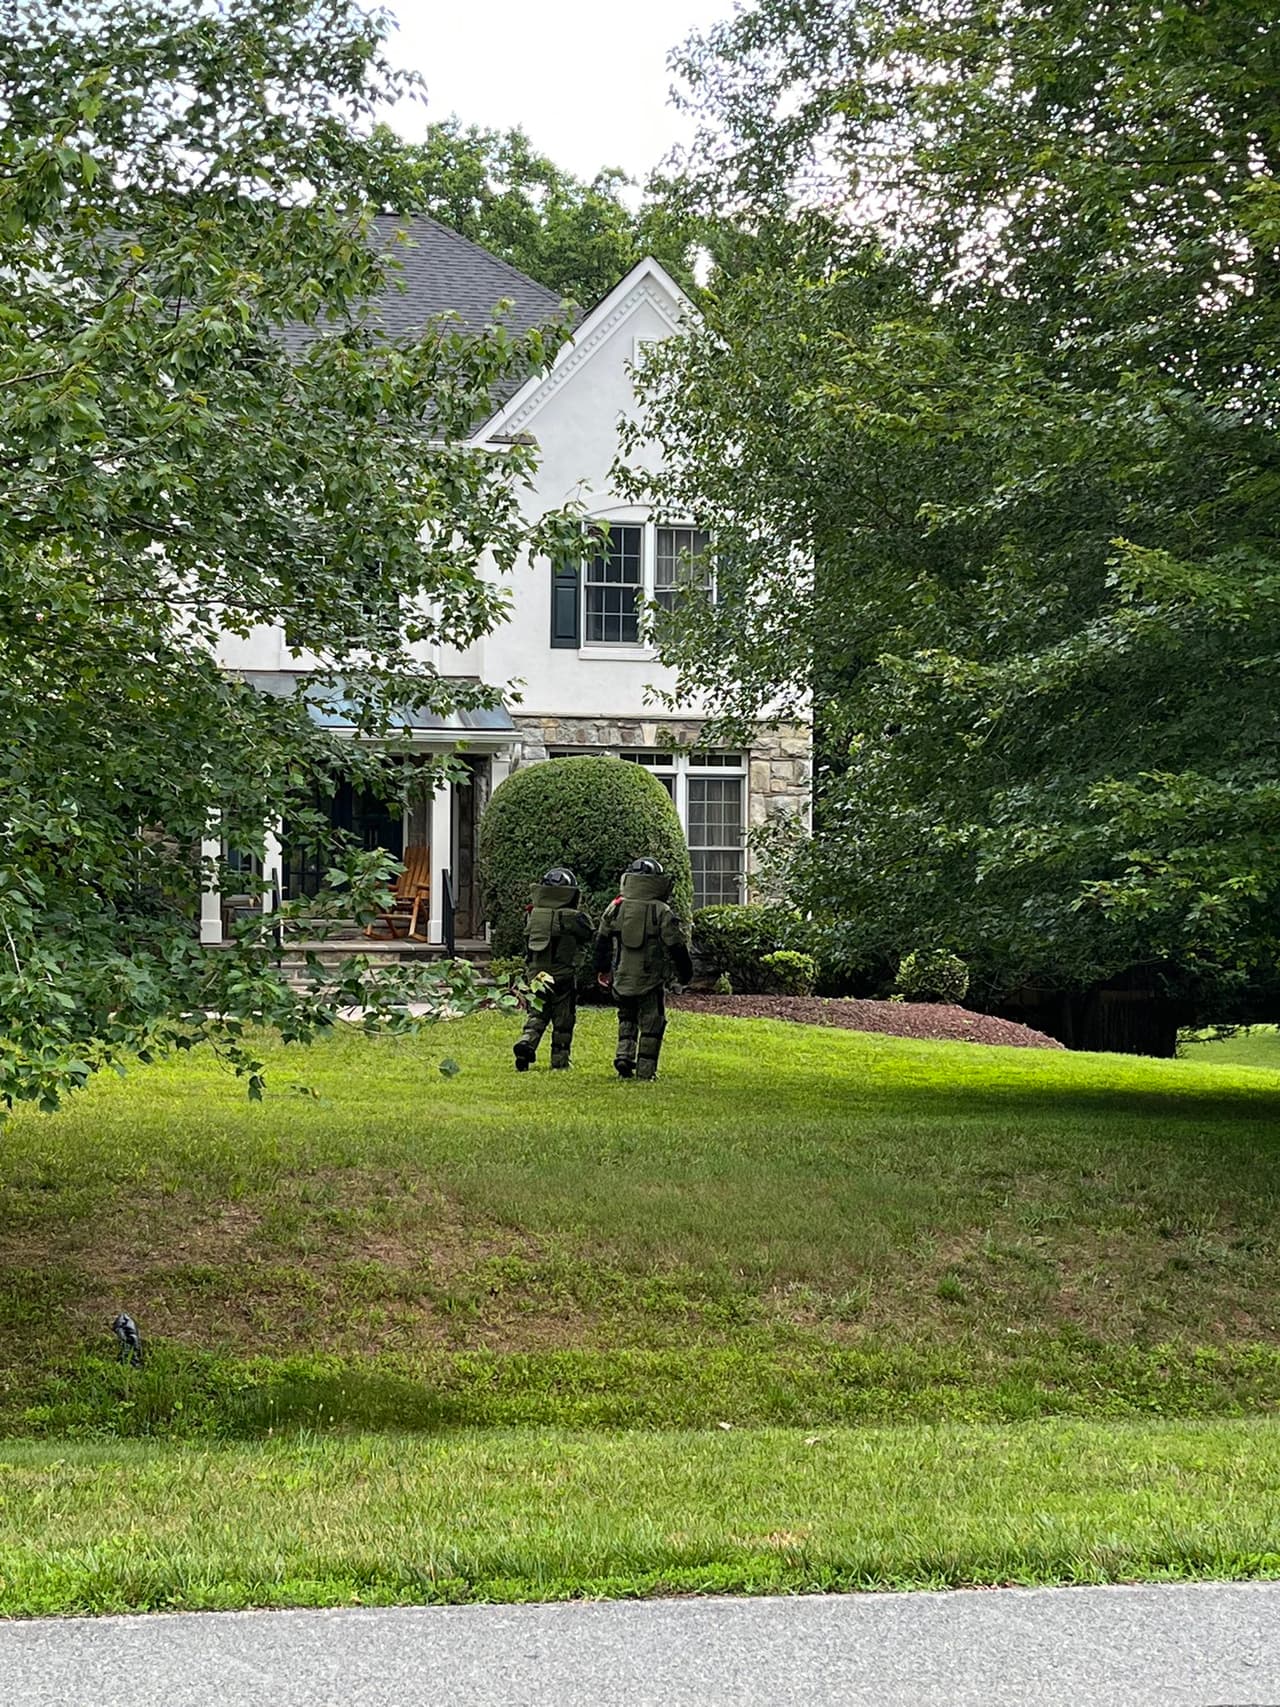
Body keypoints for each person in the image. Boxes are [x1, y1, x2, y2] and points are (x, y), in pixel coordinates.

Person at [595, 858, 693, 1081]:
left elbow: (602, 940)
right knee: (652, 1023)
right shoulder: (661, 910)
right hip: (650, 978)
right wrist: (685, 973)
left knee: (626, 1018)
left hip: (621, 974)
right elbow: (675, 945)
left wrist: (602, 969)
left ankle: (624, 1056)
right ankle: (646, 1071)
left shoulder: (616, 906)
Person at [513, 867, 595, 1071]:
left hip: (536, 975)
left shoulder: (533, 914)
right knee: (563, 1020)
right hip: (562, 975)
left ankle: (526, 1042)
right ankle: (559, 1061)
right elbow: (588, 933)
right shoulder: (573, 917)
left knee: (537, 1014)